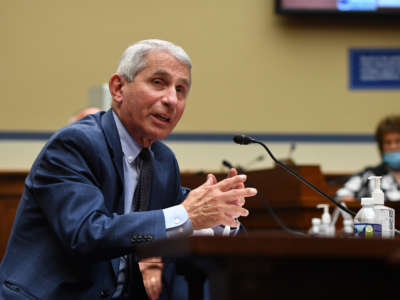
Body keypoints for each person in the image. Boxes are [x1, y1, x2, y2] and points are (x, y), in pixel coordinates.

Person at [0, 39, 257, 300]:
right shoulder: (74, 145)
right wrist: (186, 214)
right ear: (118, 88)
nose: (171, 99)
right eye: (159, 82)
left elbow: (178, 219)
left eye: (181, 90)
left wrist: (221, 217)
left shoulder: (162, 160)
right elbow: (86, 234)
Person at [336, 115, 400, 202]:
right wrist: (345, 199)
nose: (393, 147)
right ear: (381, 147)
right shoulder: (370, 174)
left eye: (398, 141)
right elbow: (341, 195)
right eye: (388, 142)